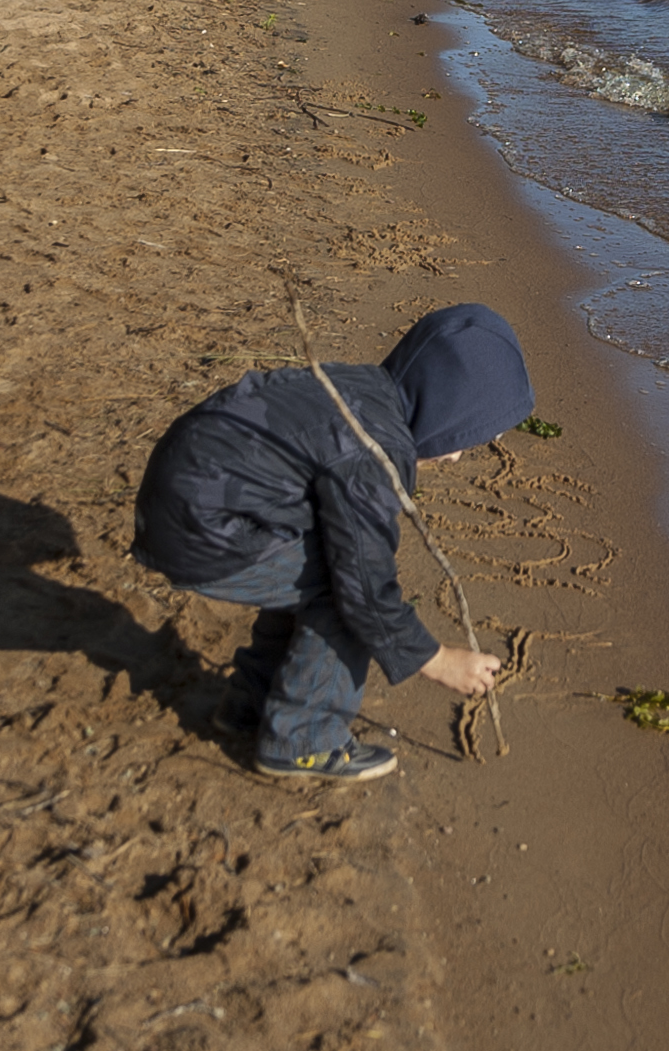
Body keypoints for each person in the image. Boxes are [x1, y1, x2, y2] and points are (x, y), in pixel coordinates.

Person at [133, 303, 525, 783]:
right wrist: (438, 661)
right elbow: (365, 585)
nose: (460, 456)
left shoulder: (361, 388)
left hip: (182, 494)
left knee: (317, 561)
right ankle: (303, 741)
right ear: (445, 407)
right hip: (200, 526)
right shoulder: (375, 452)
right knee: (341, 592)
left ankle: (251, 705)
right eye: (464, 435)